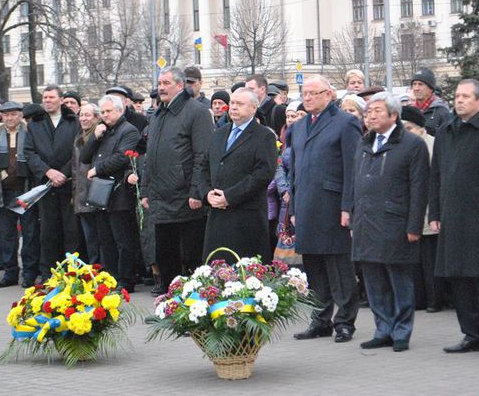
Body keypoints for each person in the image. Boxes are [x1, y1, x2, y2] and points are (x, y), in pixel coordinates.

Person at [429, 79, 479, 359]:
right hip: (452, 217)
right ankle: (472, 334)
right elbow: (436, 177)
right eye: (457, 96)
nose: (459, 100)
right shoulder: (445, 132)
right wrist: (435, 214)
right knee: (459, 280)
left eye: (466, 96)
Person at [351, 93, 429, 352]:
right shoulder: (364, 143)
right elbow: (355, 183)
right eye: (368, 111)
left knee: (399, 279)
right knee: (373, 280)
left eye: (376, 111)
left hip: (395, 222)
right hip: (366, 221)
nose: (370, 116)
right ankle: (382, 328)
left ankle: (401, 331)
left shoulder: (411, 144)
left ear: (394, 115)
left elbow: (419, 188)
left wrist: (414, 225)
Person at [290, 75, 362, 344]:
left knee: (339, 268)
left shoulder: (345, 123)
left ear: (329, 94)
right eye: (304, 93)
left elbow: (352, 169)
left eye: (313, 93)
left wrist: (348, 206)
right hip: (307, 206)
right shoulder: (299, 127)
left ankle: (344, 322)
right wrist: (294, 207)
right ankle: (320, 320)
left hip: (333, 206)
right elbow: (295, 170)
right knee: (314, 268)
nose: (307, 98)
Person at [142, 67, 214, 290]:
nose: (160, 87)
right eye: (159, 83)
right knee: (165, 254)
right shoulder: (158, 114)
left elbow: (203, 154)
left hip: (186, 196)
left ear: (180, 85)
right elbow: (150, 155)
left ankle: (194, 304)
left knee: (191, 255)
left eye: (166, 83)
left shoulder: (196, 112)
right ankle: (169, 301)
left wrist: (196, 191)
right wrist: (145, 190)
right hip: (161, 197)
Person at [200, 88, 277, 260]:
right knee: (217, 270)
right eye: (232, 103)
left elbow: (263, 174)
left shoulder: (264, 136)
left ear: (253, 108)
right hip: (217, 216)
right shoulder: (218, 134)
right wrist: (206, 194)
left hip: (246, 217)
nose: (234, 107)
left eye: (240, 104)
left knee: (244, 272)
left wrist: (229, 196)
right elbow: (204, 167)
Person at [81, 95, 141, 292]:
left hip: (119, 193)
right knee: (105, 240)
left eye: (108, 111)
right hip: (101, 194)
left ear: (119, 110)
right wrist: (94, 137)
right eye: (103, 112)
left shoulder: (129, 130)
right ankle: (112, 277)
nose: (105, 115)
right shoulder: (103, 131)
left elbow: (122, 157)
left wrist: (98, 169)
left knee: (123, 240)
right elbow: (84, 156)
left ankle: (126, 279)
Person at [24, 85, 81, 280]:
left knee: (71, 230)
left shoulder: (73, 121)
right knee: (47, 232)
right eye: (44, 98)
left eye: (51, 97)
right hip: (45, 185)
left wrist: (62, 174)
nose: (47, 100)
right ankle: (48, 272)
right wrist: (48, 172)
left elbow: (77, 150)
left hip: (68, 184)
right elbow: (29, 153)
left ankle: (73, 272)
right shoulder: (35, 124)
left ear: (61, 99)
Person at [0, 101, 38, 288]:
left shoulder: (30, 134)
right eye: (6, 115)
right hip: (3, 192)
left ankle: (29, 273)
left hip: (25, 190)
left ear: (20, 115)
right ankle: (10, 273)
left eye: (14, 114)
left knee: (30, 234)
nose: (10, 118)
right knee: (6, 235)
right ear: (2, 116)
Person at [401, 105, 443, 313]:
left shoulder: (433, 145)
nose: (405, 132)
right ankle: (418, 298)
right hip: (409, 210)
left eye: (408, 128)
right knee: (414, 260)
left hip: (428, 210)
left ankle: (434, 299)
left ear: (420, 128)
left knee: (429, 259)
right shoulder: (404, 145)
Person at [72, 103, 102, 267]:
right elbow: (75, 170)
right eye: (81, 115)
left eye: (87, 115)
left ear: (97, 117)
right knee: (89, 238)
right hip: (81, 195)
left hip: (96, 193)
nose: (83, 118)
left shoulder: (99, 135)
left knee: (98, 238)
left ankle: (100, 269)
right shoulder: (78, 137)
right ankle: (93, 268)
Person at [410, 68, 451, 136]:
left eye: (420, 84)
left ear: (431, 88)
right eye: (414, 84)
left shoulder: (442, 113)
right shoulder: (409, 112)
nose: (416, 88)